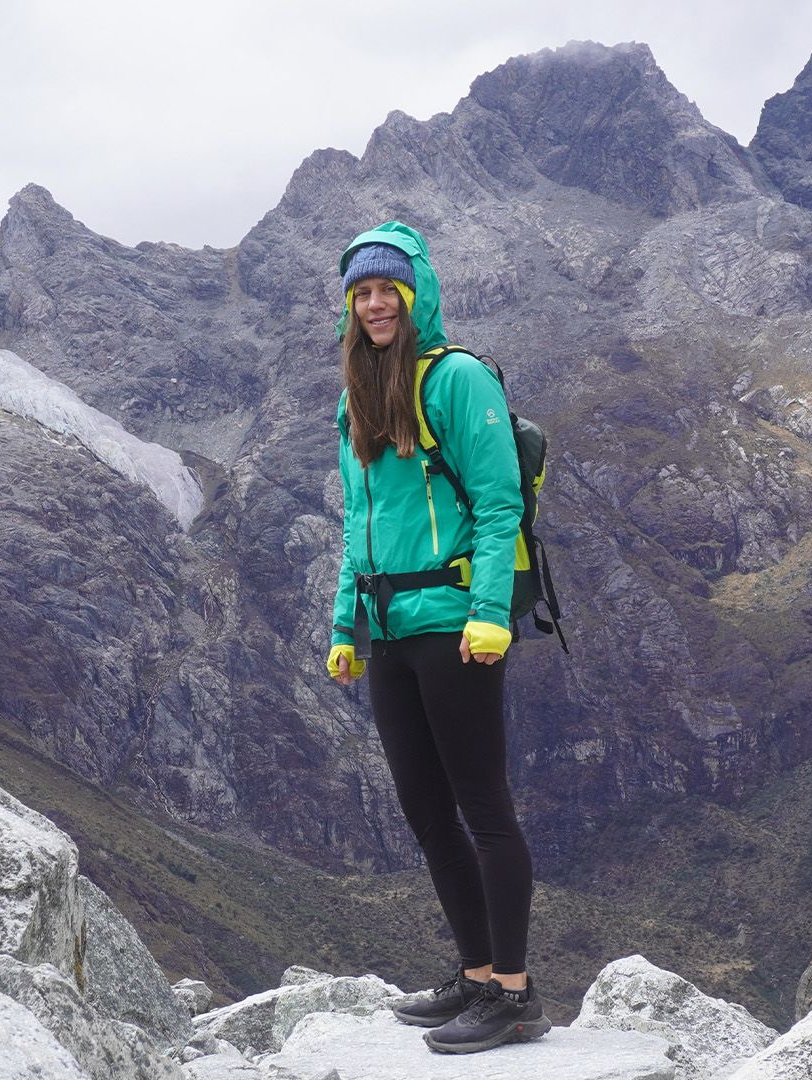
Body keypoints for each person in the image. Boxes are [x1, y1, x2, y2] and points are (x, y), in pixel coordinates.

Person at [323, 221, 547, 1054]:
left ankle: (518, 996)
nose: (376, 305)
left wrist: (491, 613)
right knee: (425, 810)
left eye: (388, 290)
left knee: (483, 807)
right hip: (388, 629)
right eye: (362, 294)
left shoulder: (458, 380)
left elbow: (498, 507)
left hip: (456, 624)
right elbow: (360, 519)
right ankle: (478, 973)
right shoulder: (356, 394)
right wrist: (345, 624)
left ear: (416, 295)